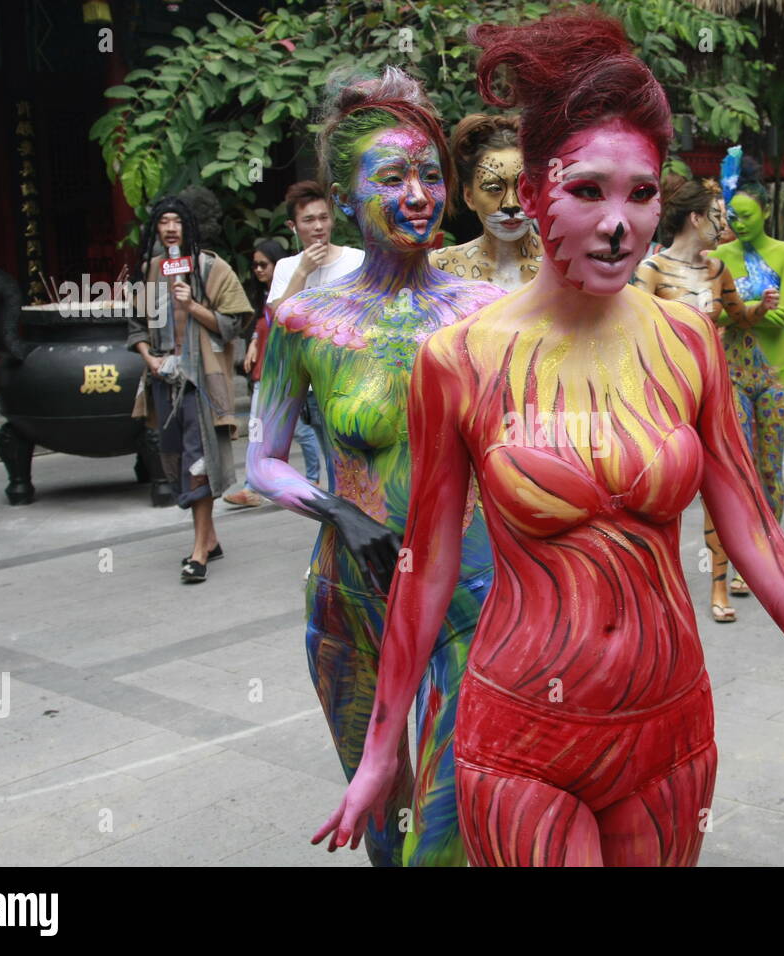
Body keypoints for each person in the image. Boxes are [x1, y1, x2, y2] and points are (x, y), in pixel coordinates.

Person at [316, 8, 784, 867]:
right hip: (522, 736)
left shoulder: (687, 341)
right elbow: (427, 563)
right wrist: (383, 749)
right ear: (535, 193)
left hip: (670, 733)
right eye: (588, 191)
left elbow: (756, 535)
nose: (619, 223)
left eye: (640, 194)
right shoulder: (458, 359)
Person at [246, 66, 505, 867]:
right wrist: (335, 510)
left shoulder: (486, 316)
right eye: (392, 177)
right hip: (349, 595)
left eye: (430, 175)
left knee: (443, 832)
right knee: (383, 824)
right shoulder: (303, 320)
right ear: (346, 197)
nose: (418, 194)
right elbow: (262, 461)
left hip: (467, 597)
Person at [632, 172, 777, 623]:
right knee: (661, 493)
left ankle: (719, 586)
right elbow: (632, 332)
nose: (724, 225)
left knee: (722, 492)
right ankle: (658, 586)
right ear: (695, 218)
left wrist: (760, 308)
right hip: (666, 399)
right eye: (717, 216)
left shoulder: (717, 270)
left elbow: (737, 317)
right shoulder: (651, 271)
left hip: (715, 395)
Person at [127, 196, 253, 583]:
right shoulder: (149, 272)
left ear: (189, 227)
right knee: (176, 459)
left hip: (202, 381)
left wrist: (194, 305)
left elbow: (235, 322)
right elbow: (135, 327)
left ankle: (198, 554)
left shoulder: (212, 268)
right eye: (163, 221)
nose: (170, 228)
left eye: (177, 221)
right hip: (163, 380)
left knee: (199, 463)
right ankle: (210, 540)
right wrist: (149, 359)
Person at [709, 148, 784, 599]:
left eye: (746, 216)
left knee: (769, 468)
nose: (738, 223)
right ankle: (743, 558)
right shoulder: (718, 255)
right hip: (733, 376)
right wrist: (751, 310)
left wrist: (738, 312)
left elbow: (782, 318)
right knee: (739, 468)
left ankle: (768, 554)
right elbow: (711, 315)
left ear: (765, 212)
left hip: (777, 376)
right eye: (733, 217)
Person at [269, 180, 368, 488]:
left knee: (366, 463)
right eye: (308, 220)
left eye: (323, 217)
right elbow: (279, 322)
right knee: (336, 467)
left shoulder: (357, 259)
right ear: (293, 226)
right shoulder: (286, 267)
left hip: (357, 378)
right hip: (314, 385)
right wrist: (303, 272)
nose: (318, 226)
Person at [430, 113, 541, 290]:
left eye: (522, 187)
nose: (510, 204)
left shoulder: (562, 262)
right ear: (469, 197)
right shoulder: (441, 267)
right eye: (494, 189)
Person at [223, 239, 288, 508]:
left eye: (264, 264)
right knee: (259, 432)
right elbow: (260, 327)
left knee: (295, 433)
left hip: (283, 377)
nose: (258, 270)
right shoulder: (262, 296)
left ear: (277, 264)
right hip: (264, 376)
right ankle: (255, 486)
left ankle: (309, 479)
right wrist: (252, 342)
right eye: (255, 265)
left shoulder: (287, 293)